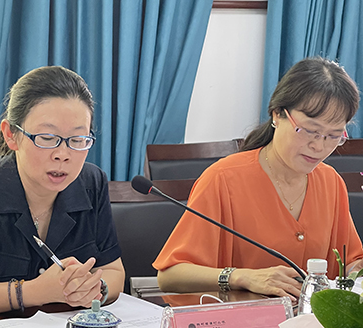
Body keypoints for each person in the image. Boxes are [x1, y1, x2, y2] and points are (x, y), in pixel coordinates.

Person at [154, 57, 363, 299]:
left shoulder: (330, 182)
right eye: (309, 131)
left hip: (306, 321)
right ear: (277, 115)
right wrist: (242, 277)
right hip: (238, 320)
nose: (319, 146)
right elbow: (170, 276)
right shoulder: (223, 179)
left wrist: (356, 273)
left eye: (334, 136)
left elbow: (351, 262)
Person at [0, 66, 125, 315]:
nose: (62, 155)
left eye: (77, 140)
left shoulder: (92, 183)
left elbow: (114, 272)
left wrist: (96, 288)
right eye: (47, 138)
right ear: (11, 135)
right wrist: (32, 292)